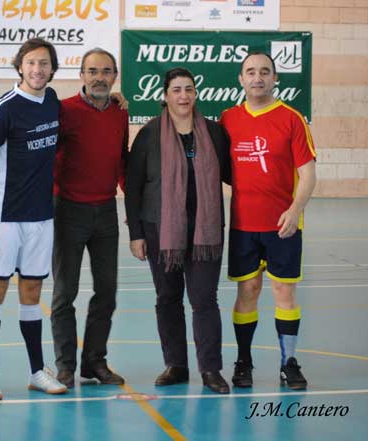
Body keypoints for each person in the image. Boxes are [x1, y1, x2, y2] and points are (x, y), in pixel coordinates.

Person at [0, 38, 67, 400]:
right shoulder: (5, 108)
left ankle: (35, 372)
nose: (37, 69)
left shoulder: (54, 101)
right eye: (31, 63)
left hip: (41, 216)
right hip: (5, 215)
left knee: (32, 291)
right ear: (20, 67)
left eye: (44, 63)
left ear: (52, 69)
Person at [125, 67, 231, 394]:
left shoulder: (214, 133)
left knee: (204, 298)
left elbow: (233, 174)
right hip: (161, 231)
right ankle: (176, 365)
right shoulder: (149, 134)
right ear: (165, 95)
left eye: (189, 89)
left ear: (196, 94)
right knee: (168, 298)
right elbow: (133, 187)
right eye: (176, 90)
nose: (183, 96)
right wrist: (137, 233)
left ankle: (210, 369)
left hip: (206, 231)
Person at [219, 51, 316, 390]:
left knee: (283, 291)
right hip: (244, 224)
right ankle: (243, 360)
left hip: (283, 225)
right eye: (250, 72)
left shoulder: (291, 118)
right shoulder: (228, 119)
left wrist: (295, 210)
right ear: (241, 79)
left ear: (276, 78)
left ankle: (288, 361)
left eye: (264, 72)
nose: (257, 77)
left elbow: (307, 174)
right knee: (248, 290)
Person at [50, 48, 129, 388]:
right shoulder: (64, 110)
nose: (99, 76)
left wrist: (136, 214)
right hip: (68, 211)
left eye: (106, 71)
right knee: (64, 293)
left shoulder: (119, 112)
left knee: (107, 292)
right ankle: (65, 365)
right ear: (81, 74)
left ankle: (94, 362)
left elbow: (121, 159)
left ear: (114, 76)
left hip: (106, 213)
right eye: (92, 70)